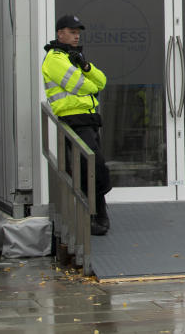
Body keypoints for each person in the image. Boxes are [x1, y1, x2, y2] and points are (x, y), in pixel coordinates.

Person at [42, 14, 112, 235]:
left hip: (88, 119)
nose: (76, 36)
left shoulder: (75, 57)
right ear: (60, 33)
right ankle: (95, 213)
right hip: (74, 119)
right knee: (92, 166)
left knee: (89, 167)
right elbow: (82, 86)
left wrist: (86, 66)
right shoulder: (55, 58)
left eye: (78, 33)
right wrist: (88, 78)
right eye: (72, 32)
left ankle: (97, 213)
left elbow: (102, 81)